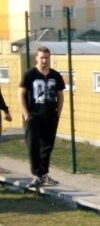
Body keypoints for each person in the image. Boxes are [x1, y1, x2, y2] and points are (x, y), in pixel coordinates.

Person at [18, 46, 65, 190]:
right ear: (36, 58)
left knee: (47, 146)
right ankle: (37, 174)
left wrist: (58, 114)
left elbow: (60, 95)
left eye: (47, 57)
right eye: (42, 57)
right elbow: (20, 94)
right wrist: (26, 114)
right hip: (34, 116)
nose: (44, 60)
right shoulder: (29, 74)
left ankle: (44, 174)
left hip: (50, 116)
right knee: (33, 145)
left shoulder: (55, 76)